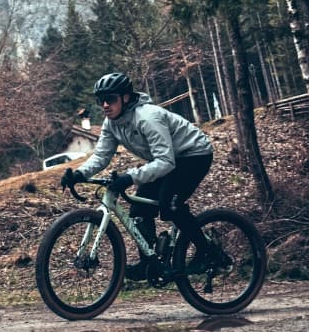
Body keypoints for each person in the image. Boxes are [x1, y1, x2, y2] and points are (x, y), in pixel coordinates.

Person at [60, 72, 215, 281]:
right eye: (101, 101)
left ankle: (207, 251)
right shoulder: (111, 123)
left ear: (125, 97)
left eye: (111, 99)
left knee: (169, 203)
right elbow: (101, 156)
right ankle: (148, 263)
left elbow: (166, 162)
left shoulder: (148, 117)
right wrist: (79, 174)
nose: (105, 105)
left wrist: (130, 177)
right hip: (167, 161)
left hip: (194, 155)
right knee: (139, 209)